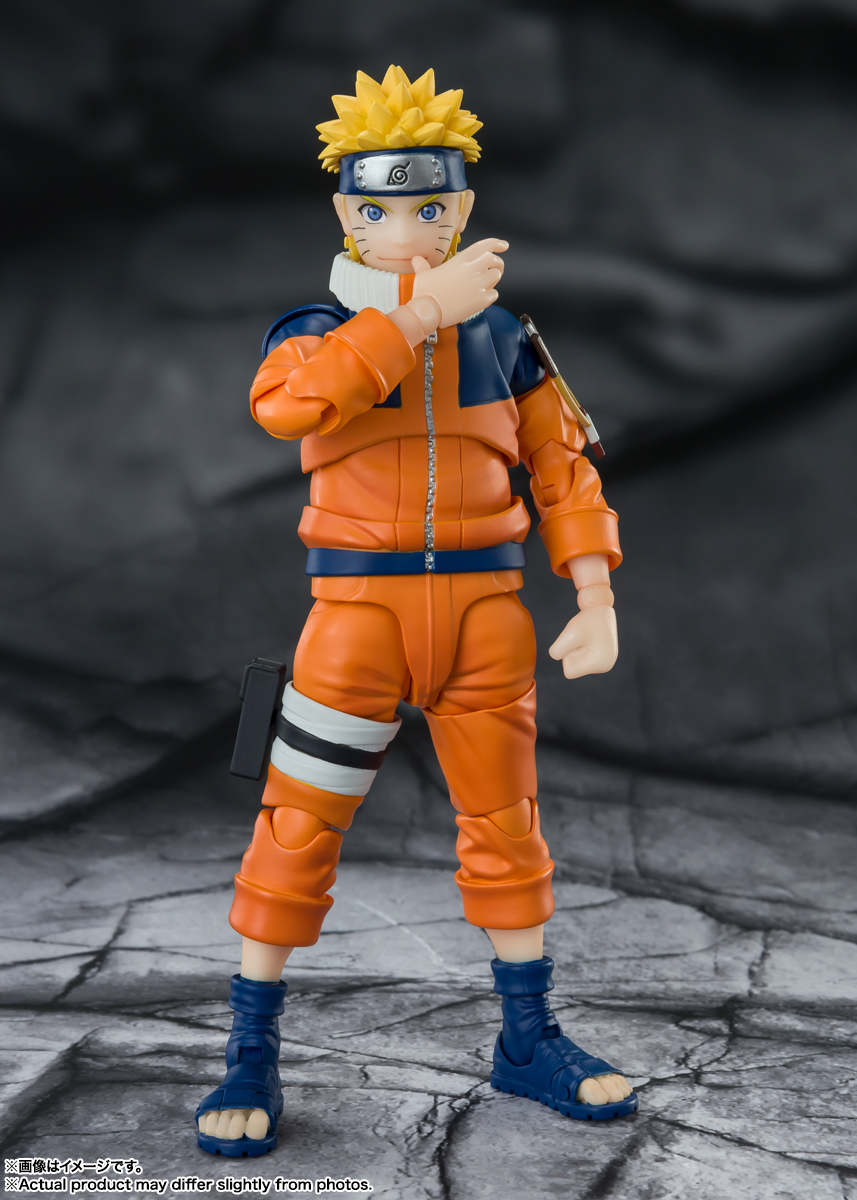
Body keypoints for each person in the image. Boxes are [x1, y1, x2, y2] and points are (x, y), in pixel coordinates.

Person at [196, 65, 637, 1158]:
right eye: (379, 212)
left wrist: (593, 589)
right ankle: (249, 1048)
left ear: (463, 210)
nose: (406, 233)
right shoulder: (317, 330)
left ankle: (527, 1039)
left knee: (507, 829)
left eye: (430, 210)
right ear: (345, 214)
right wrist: (415, 316)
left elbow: (562, 467)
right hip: (356, 620)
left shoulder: (504, 341)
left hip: (487, 615)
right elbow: (291, 405)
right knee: (296, 827)